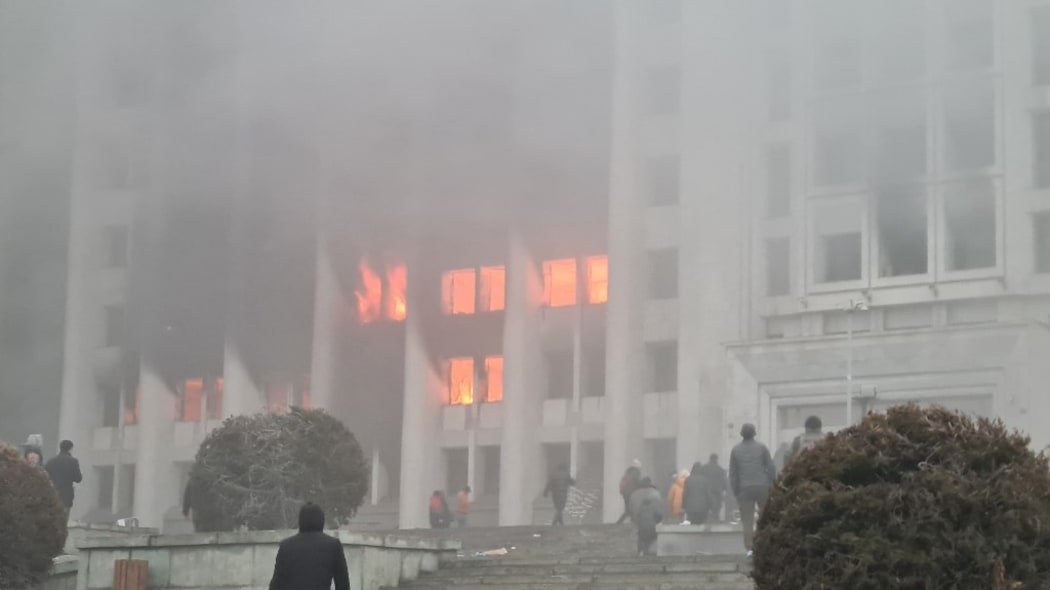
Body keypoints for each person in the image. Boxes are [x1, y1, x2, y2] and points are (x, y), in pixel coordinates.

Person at [268, 502, 349, 590]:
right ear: (321, 521)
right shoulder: (333, 545)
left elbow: (277, 583)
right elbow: (343, 583)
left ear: (300, 521)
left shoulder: (286, 546)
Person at [730, 424, 775, 557]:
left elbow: (733, 474)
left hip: (744, 489)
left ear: (741, 434)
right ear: (755, 433)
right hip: (762, 487)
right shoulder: (762, 448)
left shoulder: (735, 450)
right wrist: (772, 483)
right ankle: (765, 543)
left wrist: (736, 491)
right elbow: (771, 468)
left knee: (747, 520)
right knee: (765, 516)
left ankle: (750, 548)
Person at [45, 440, 82, 519]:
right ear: (70, 449)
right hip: (66, 495)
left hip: (52, 494)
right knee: (63, 520)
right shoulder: (73, 461)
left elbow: (46, 477)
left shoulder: (50, 461)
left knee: (53, 520)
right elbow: (78, 479)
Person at [629, 477, 664, 556]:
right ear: (650, 483)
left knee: (642, 535)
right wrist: (659, 521)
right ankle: (650, 551)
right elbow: (659, 512)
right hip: (652, 523)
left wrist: (634, 518)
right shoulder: (655, 494)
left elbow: (630, 509)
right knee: (652, 536)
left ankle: (641, 551)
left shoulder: (634, 494)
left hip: (639, 522)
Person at [698, 454, 729, 523]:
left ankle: (706, 523)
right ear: (716, 459)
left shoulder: (703, 468)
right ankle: (715, 523)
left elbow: (699, 480)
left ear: (710, 459)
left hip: (705, 493)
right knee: (716, 510)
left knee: (706, 510)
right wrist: (723, 490)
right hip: (717, 493)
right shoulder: (720, 469)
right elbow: (724, 483)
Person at [615, 460, 642, 524]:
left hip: (625, 493)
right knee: (631, 509)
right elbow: (638, 483)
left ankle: (621, 522)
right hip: (632, 494)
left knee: (628, 509)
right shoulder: (636, 472)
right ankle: (620, 522)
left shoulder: (628, 472)